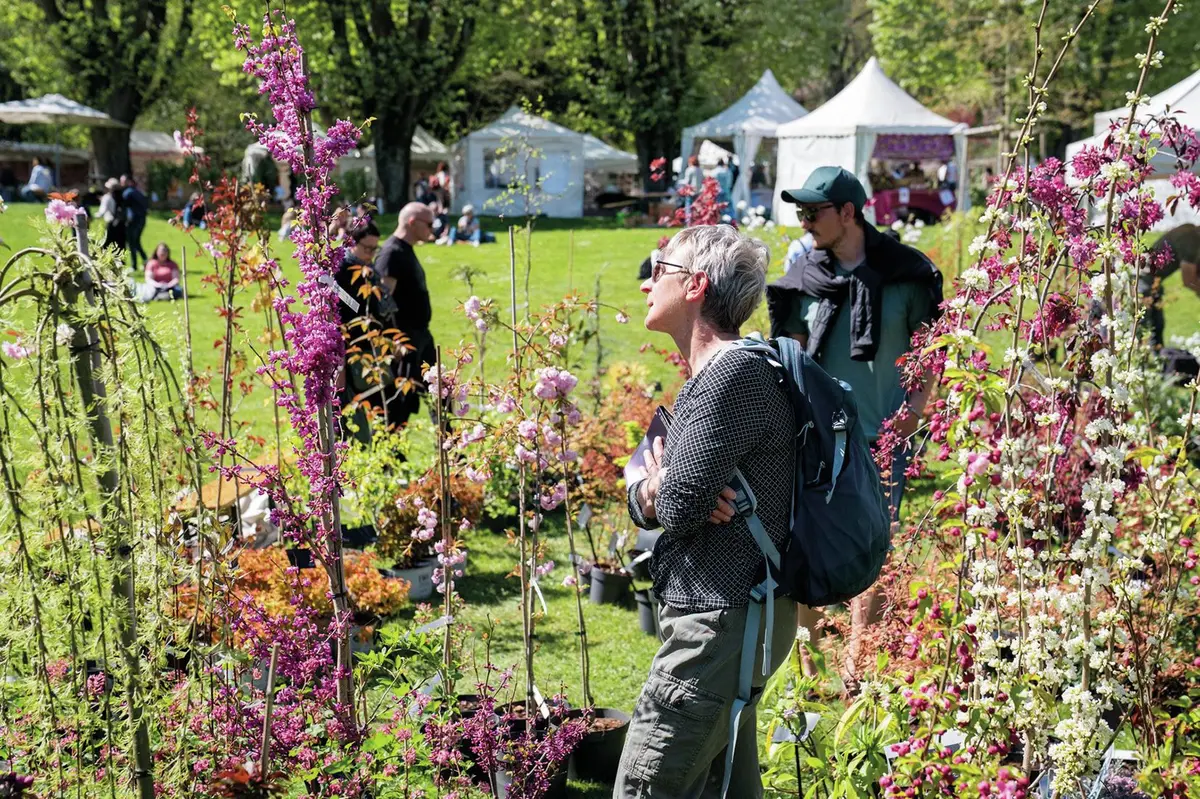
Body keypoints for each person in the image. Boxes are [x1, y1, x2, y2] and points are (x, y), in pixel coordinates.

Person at [616, 225, 797, 799]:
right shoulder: (720, 374)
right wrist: (663, 489)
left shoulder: (730, 374)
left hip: (720, 625)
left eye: (659, 267)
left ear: (695, 285)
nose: (648, 282)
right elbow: (672, 499)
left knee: (646, 787)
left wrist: (660, 485)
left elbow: (675, 501)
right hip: (733, 616)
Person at [766, 167, 942, 684]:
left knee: (875, 546)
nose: (804, 222)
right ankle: (811, 664)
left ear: (848, 211)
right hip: (817, 439)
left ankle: (857, 669)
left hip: (883, 438)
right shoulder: (803, 280)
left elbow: (931, 350)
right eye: (799, 213)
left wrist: (914, 410)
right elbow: (790, 355)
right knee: (809, 544)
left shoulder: (907, 275)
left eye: (813, 212)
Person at [334, 222, 405, 441]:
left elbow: (382, 310)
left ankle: (383, 454)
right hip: (353, 351)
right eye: (367, 248)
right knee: (357, 412)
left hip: (374, 349)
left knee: (384, 404)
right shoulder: (340, 272)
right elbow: (343, 315)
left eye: (375, 249)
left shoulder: (369, 270)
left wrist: (393, 341)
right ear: (352, 244)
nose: (372, 254)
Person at [374, 203, 437, 428]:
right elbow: (381, 302)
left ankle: (452, 452)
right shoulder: (391, 253)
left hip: (421, 336)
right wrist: (392, 341)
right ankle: (391, 457)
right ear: (412, 223)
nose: (432, 229)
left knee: (440, 394)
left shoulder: (405, 249)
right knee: (401, 402)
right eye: (429, 224)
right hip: (404, 339)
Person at [1140, 223, 1200, 350]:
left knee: (1157, 327)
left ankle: (1157, 363)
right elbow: (1189, 280)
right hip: (1140, 279)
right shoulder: (1191, 240)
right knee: (1142, 328)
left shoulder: (1190, 232)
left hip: (1152, 280)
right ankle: (1141, 362)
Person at [121, 175, 149, 270]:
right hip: (142, 220)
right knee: (136, 241)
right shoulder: (139, 192)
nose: (122, 183)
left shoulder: (127, 193)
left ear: (129, 182)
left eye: (123, 181)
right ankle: (145, 260)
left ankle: (134, 266)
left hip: (133, 221)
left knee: (132, 242)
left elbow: (124, 206)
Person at [100, 178, 126, 252]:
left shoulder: (108, 197)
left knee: (107, 245)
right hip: (121, 224)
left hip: (111, 224)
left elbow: (103, 211)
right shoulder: (122, 198)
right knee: (120, 246)